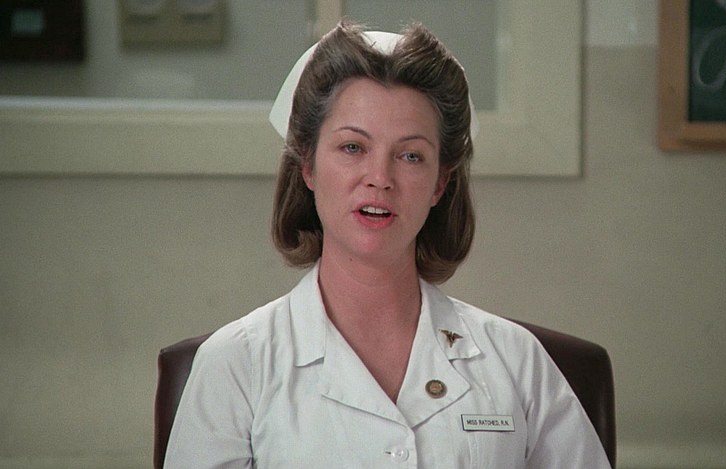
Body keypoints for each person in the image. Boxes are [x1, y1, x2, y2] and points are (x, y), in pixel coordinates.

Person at [164, 21, 611, 468]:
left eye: (410, 156)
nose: (380, 178)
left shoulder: (516, 361)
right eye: (353, 147)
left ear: (440, 184)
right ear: (308, 167)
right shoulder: (236, 365)